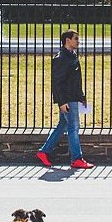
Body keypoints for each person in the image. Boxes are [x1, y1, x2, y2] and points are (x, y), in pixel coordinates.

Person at [36, 29, 92, 169]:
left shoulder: (71, 56)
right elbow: (57, 82)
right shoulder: (61, 58)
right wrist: (61, 102)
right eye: (76, 38)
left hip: (72, 97)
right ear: (68, 40)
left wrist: (81, 96)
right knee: (73, 127)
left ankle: (44, 151)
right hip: (67, 99)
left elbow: (75, 80)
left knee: (63, 125)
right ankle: (76, 159)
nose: (78, 41)